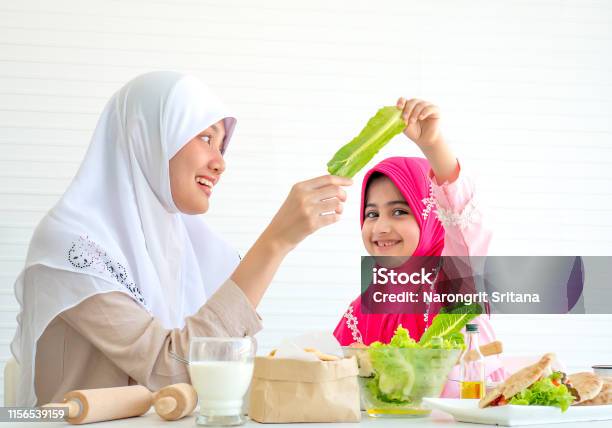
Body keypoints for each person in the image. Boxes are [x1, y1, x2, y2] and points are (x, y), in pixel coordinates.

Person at [10, 71, 352, 406]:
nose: (220, 163)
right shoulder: (72, 245)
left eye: (222, 145)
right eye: (206, 138)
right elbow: (171, 369)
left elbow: (225, 373)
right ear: (149, 137)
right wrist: (275, 243)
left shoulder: (192, 247)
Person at [333, 98, 507, 396]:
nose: (381, 227)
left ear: (431, 216)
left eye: (399, 211)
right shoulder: (360, 312)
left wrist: (434, 144)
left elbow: (463, 222)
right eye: (371, 213)